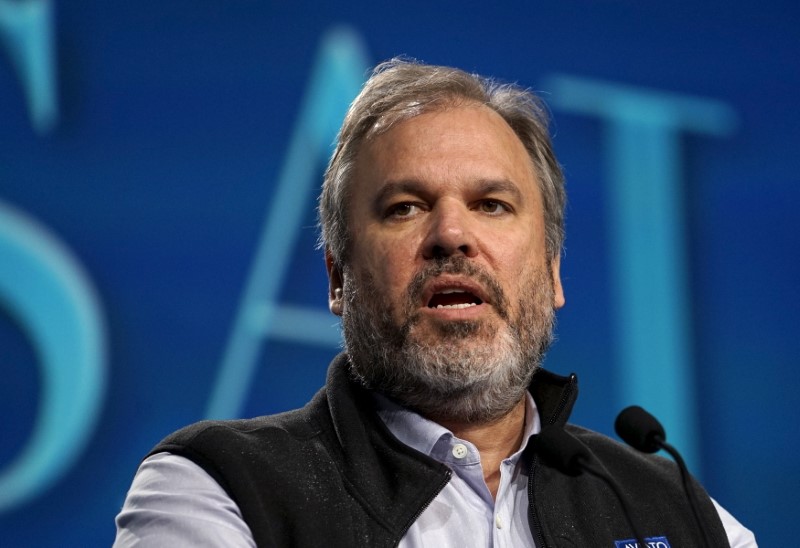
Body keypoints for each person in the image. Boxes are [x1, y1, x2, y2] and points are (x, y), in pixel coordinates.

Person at [114, 58, 756, 547]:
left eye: (492, 205)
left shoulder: (679, 513)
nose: (452, 235)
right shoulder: (215, 488)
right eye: (405, 208)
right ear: (338, 278)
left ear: (554, 273)